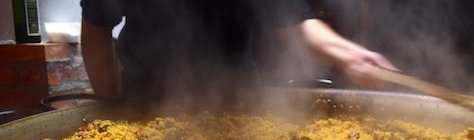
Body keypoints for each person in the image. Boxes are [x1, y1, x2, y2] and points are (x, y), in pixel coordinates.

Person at [80, 0, 396, 106]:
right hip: (149, 102)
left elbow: (295, 25)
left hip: (242, 103)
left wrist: (352, 55)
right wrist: (112, 108)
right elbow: (96, 32)